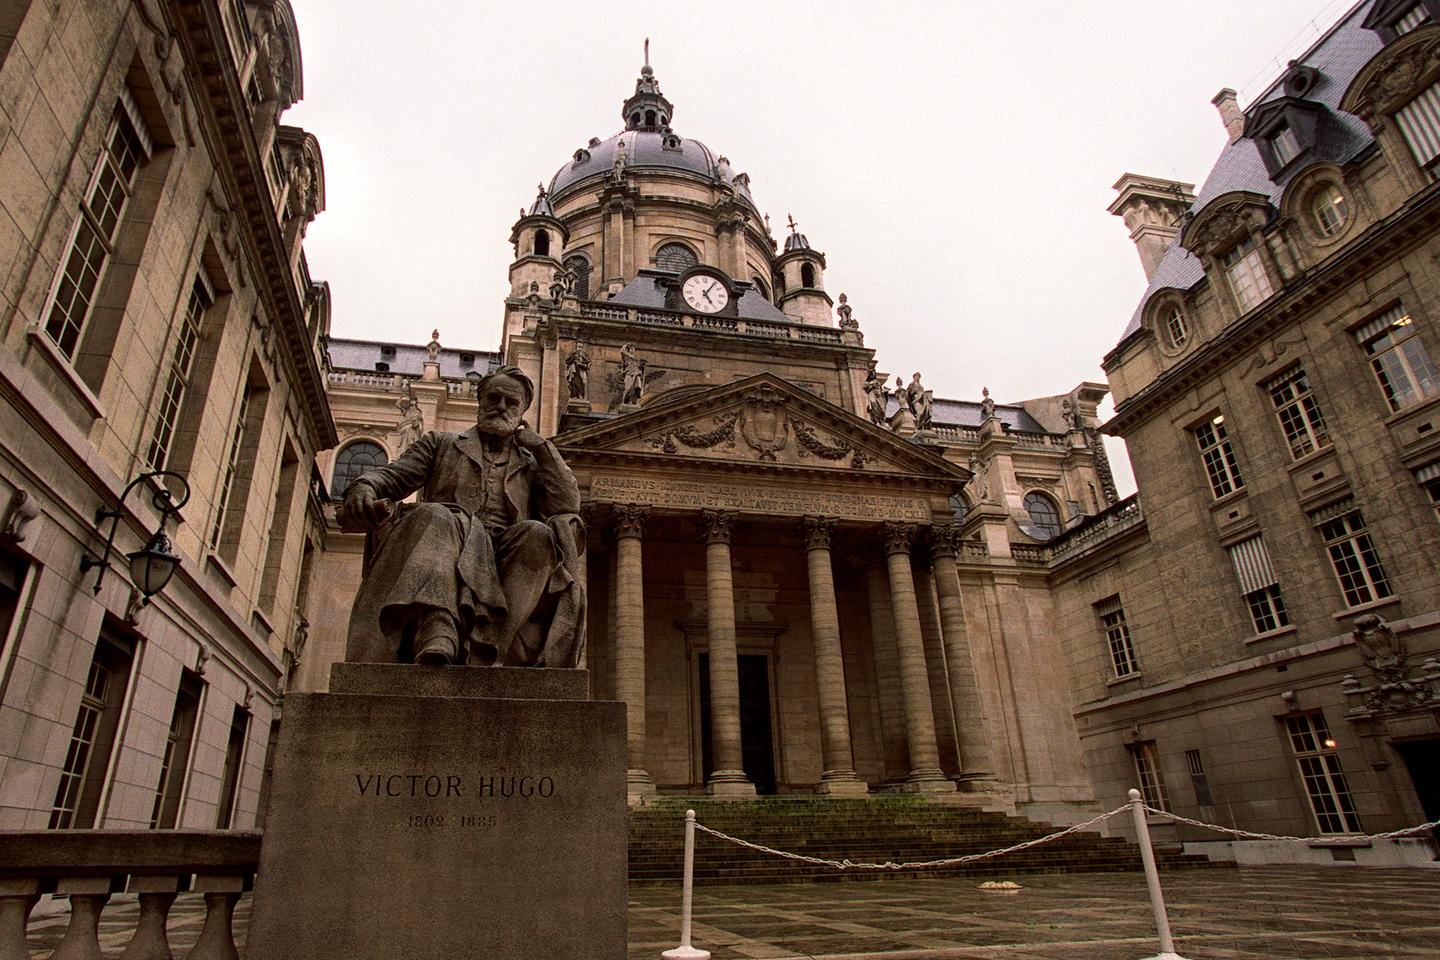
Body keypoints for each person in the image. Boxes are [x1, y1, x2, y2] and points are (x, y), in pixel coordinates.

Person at [338, 366, 585, 668]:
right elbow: (393, 476)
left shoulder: (532, 462)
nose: (501, 407)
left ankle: (492, 647)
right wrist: (364, 485)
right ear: (480, 402)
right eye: (493, 398)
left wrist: (544, 449)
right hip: (445, 541)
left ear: (523, 412)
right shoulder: (441, 443)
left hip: (503, 550)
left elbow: (568, 504)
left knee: (538, 535)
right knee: (438, 514)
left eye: (512, 402)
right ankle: (438, 628)